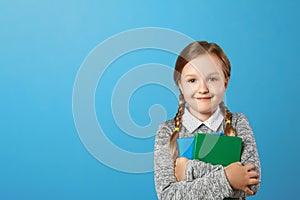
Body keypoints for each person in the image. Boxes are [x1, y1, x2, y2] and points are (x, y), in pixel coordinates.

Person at [154, 41, 261, 200]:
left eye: (212, 79)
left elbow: (250, 185)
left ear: (225, 82)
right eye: (192, 80)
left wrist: (189, 170)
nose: (203, 88)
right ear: (180, 85)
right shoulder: (167, 131)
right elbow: (168, 195)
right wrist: (229, 178)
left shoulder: (238, 123)